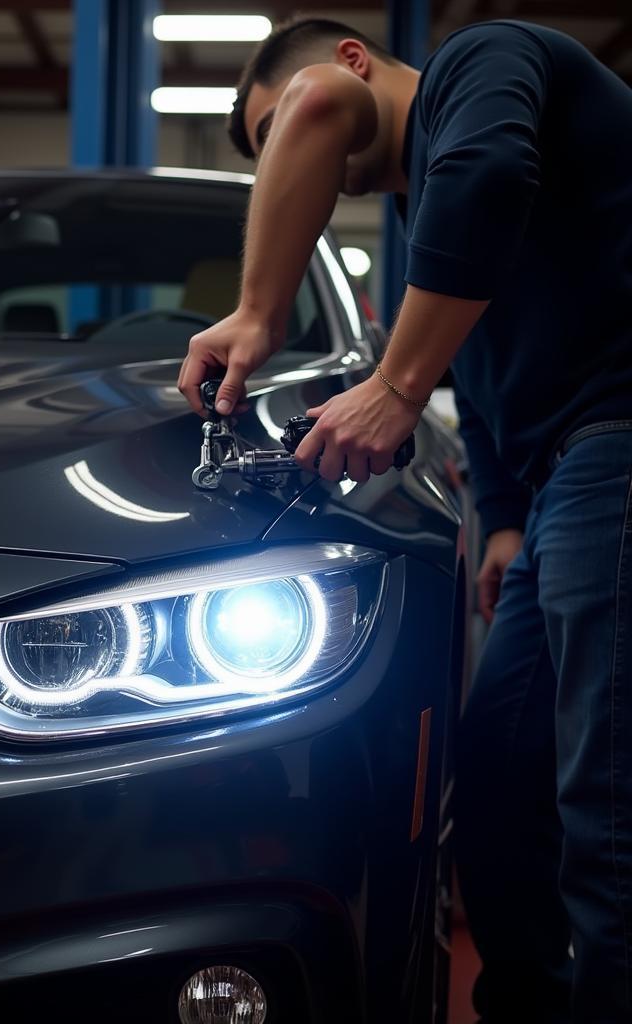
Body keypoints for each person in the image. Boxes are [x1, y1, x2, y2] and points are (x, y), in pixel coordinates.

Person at [177, 17, 632, 1024]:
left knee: (606, 811)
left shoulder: (482, 63)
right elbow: (487, 375)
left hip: (620, 439)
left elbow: (478, 181)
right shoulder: (436, 240)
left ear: (344, 68)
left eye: (287, 132)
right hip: (565, 479)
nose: (304, 165)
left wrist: (335, 353)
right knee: (505, 786)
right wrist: (504, 517)